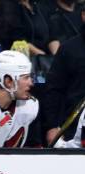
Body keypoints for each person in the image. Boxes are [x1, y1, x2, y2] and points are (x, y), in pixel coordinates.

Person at [42, 5, 85, 145]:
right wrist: (52, 126)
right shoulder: (69, 49)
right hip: (72, 128)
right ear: (84, 16)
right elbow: (53, 89)